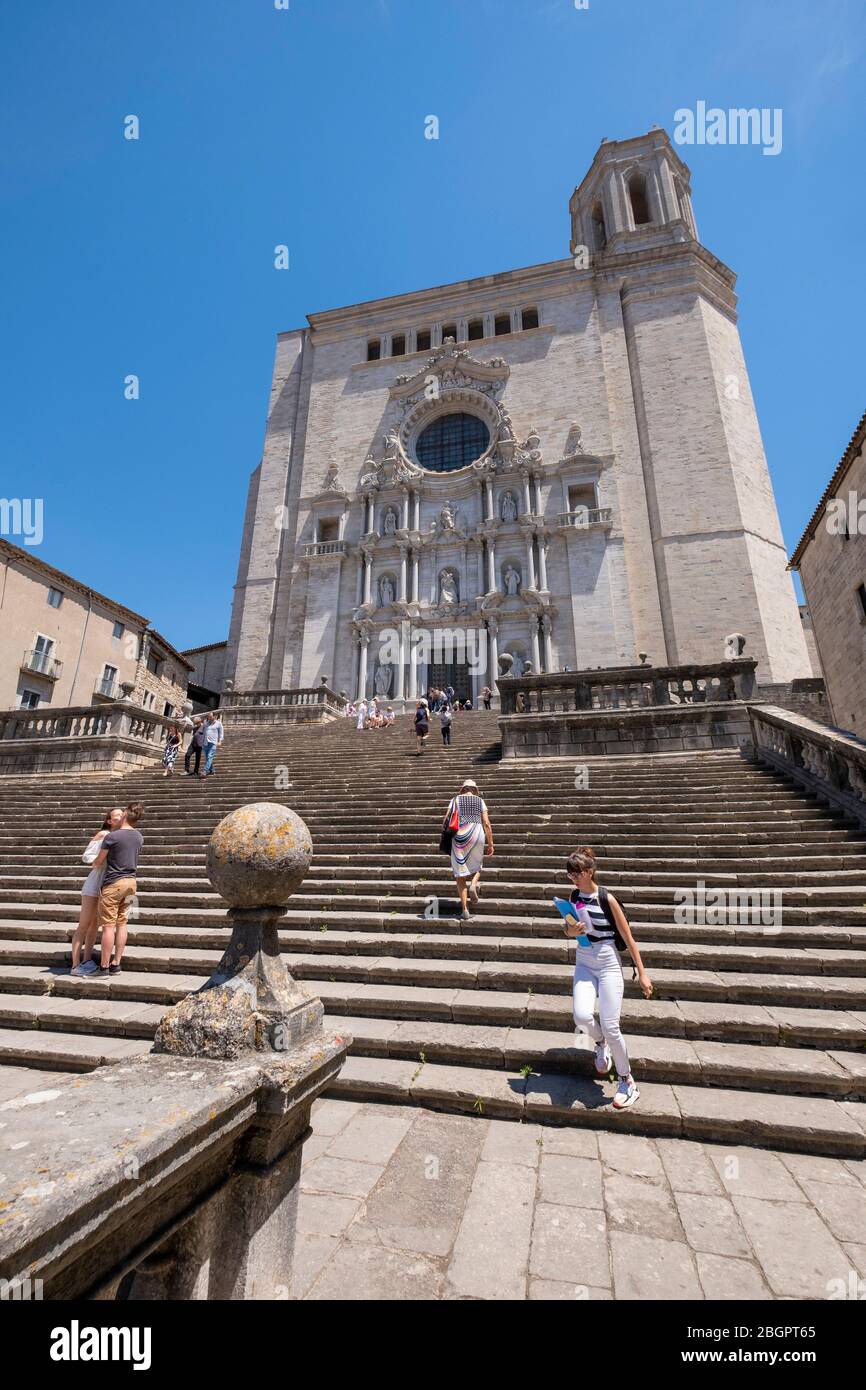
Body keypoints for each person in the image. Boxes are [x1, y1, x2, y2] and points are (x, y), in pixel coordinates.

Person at [564, 846, 653, 1112]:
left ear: (589, 872)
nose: (573, 878)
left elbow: (628, 938)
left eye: (576, 873)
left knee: (612, 1024)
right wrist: (571, 930)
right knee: (581, 1016)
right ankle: (600, 1042)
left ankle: (627, 1081)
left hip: (608, 961)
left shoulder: (607, 899)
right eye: (569, 874)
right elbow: (567, 930)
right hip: (583, 959)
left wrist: (643, 973)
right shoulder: (573, 896)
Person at [89, 804, 144, 977]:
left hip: (113, 883)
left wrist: (94, 863)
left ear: (126, 814)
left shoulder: (112, 837)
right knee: (123, 923)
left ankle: (104, 966)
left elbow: (99, 861)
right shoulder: (139, 837)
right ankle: (116, 963)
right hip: (132, 883)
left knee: (108, 926)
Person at [70, 807, 124, 976]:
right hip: (95, 883)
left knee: (95, 925)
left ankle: (87, 959)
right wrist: (101, 859)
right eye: (117, 815)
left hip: (111, 885)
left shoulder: (122, 836)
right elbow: (86, 857)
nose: (121, 816)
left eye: (122, 814)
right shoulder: (103, 835)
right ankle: (75, 965)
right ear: (109, 820)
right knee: (84, 924)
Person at [443, 779, 493, 920]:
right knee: (478, 865)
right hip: (477, 834)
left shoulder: (455, 800)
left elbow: (446, 819)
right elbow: (486, 823)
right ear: (474, 789)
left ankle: (465, 910)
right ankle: (474, 884)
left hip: (459, 835)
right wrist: (491, 844)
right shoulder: (480, 801)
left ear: (463, 789)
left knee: (460, 875)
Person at [200, 711, 224, 778]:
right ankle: (211, 770)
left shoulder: (219, 724)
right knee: (208, 758)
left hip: (213, 743)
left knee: (210, 756)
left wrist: (220, 741)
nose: (209, 718)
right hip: (205, 743)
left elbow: (221, 733)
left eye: (210, 716)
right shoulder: (206, 724)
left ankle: (205, 771)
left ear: (214, 716)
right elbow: (204, 733)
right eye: (208, 716)